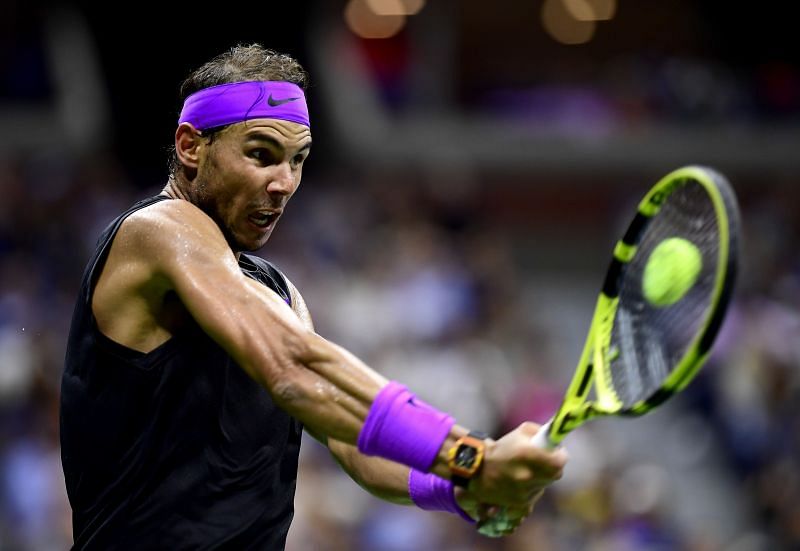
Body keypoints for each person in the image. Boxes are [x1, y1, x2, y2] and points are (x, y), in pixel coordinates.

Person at [60, 44, 568, 549]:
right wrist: (469, 455)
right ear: (192, 147)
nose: (284, 183)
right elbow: (294, 368)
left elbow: (352, 442)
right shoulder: (157, 232)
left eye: (297, 160)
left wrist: (460, 488)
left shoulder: (278, 293)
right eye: (261, 154)